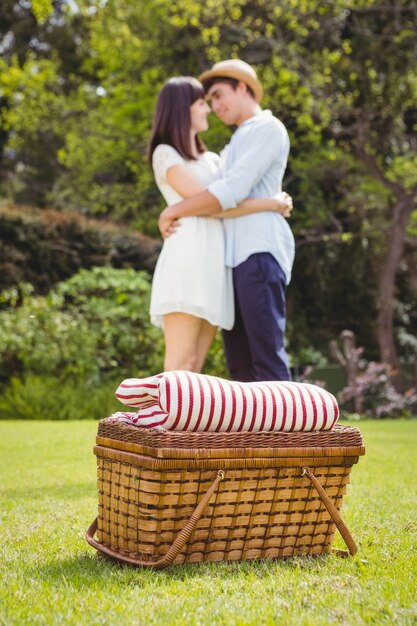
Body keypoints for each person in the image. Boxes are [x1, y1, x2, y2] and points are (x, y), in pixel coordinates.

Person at [158, 60, 295, 382]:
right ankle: (250, 435)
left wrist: (172, 210)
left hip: (258, 252)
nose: (215, 106)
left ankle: (289, 433)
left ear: (243, 88)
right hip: (232, 262)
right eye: (210, 100)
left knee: (266, 359)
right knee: (241, 368)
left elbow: (230, 192)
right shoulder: (234, 144)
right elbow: (215, 197)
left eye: (219, 96)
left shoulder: (266, 128)